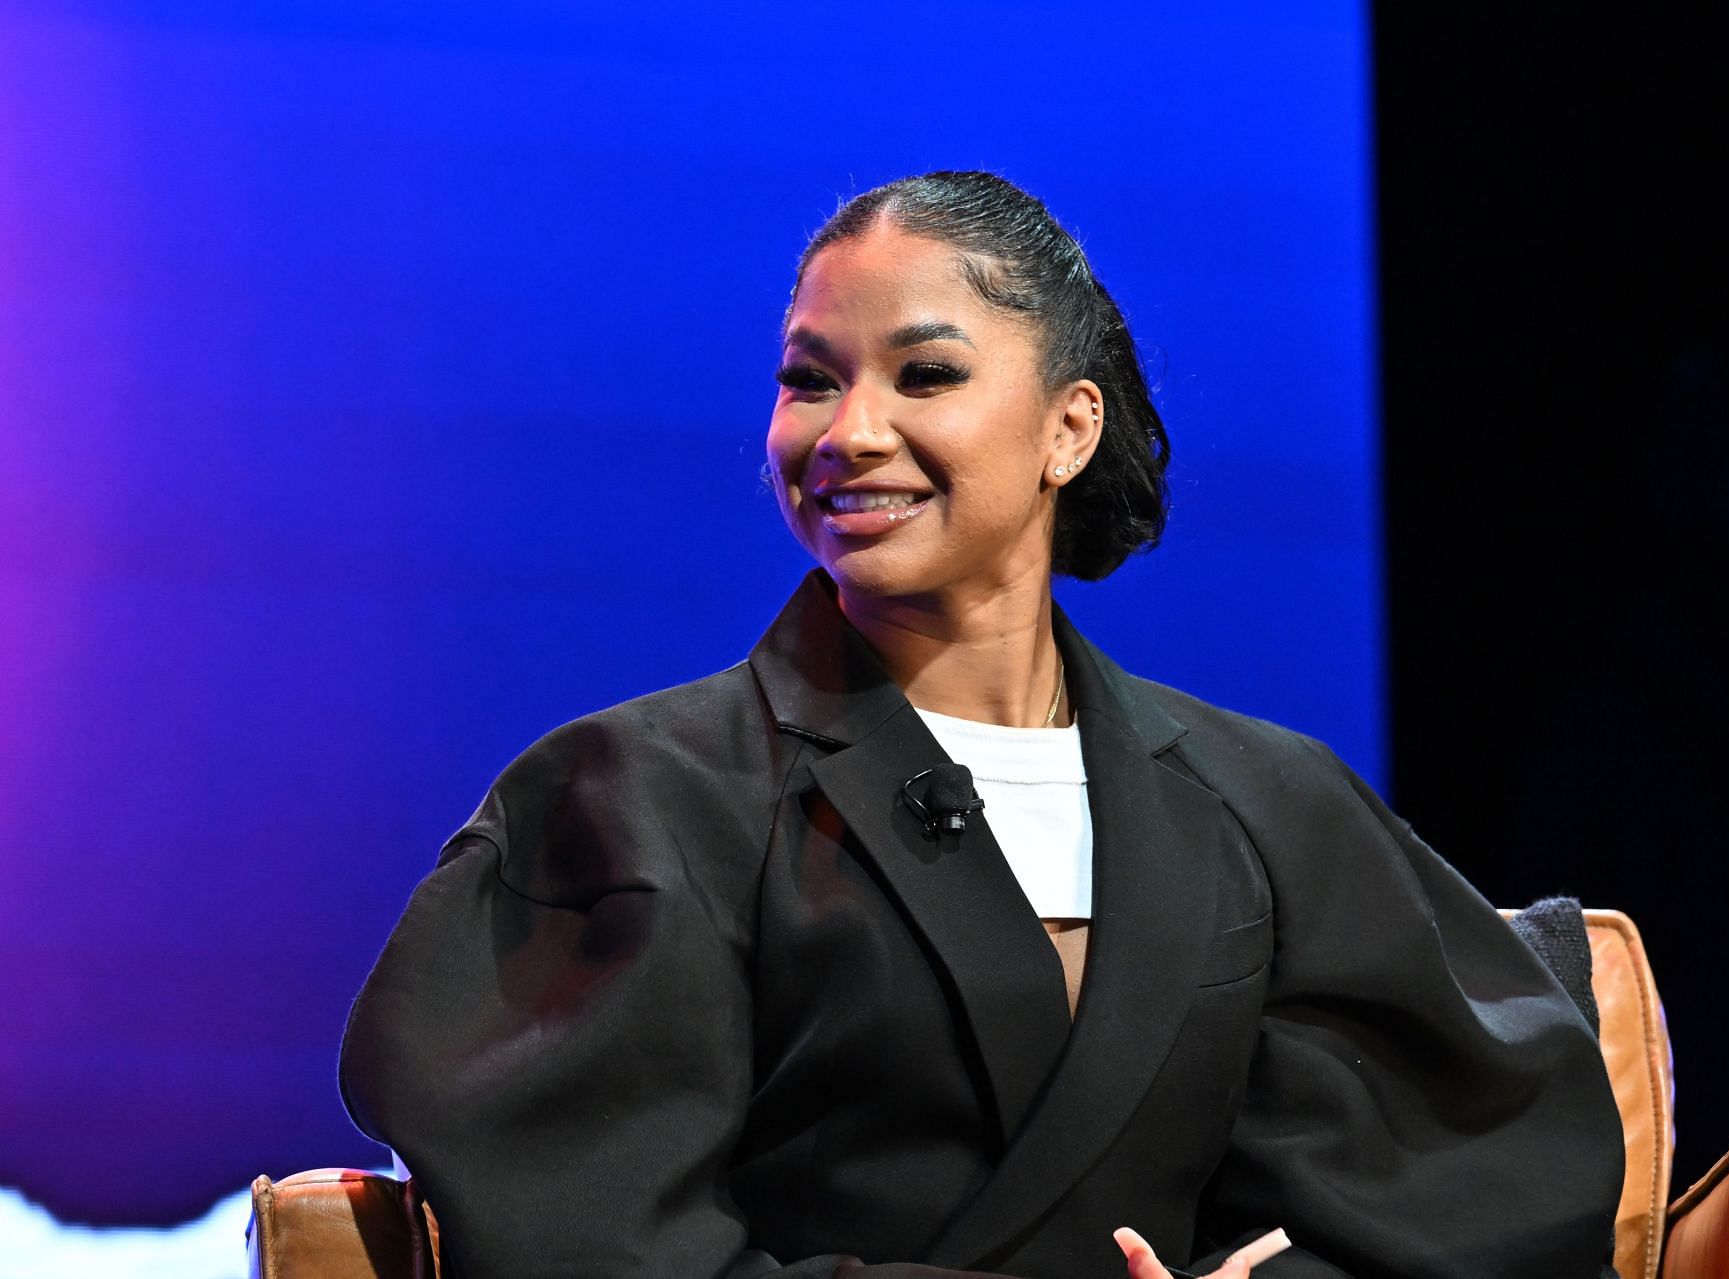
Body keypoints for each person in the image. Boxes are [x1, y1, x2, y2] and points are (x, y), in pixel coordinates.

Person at [339, 171, 1625, 1279]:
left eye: (927, 374)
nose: (848, 434)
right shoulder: (632, 793)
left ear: (1070, 427)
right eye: (807, 381)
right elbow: (586, 1240)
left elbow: (1491, 1172)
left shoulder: (1265, 799)